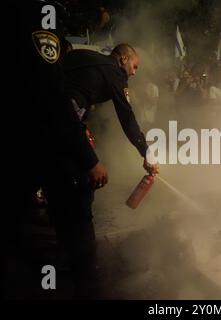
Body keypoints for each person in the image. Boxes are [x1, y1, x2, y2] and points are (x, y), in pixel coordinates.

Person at [4, 0, 109, 299]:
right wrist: (87, 158)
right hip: (34, 143)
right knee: (76, 222)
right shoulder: (41, 12)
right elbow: (49, 93)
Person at [62, 44, 159, 175]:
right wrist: (146, 152)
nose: (134, 73)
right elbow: (127, 117)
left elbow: (82, 90)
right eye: (134, 66)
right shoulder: (116, 74)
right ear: (124, 59)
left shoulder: (85, 56)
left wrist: (82, 126)